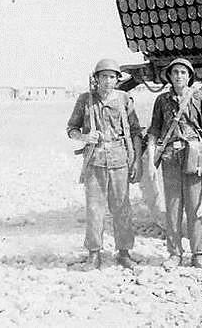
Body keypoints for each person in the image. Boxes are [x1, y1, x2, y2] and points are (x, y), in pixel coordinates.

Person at [67, 58, 142, 270]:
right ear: (96, 79)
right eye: (103, 77)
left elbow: (135, 131)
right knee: (94, 209)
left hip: (120, 159)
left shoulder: (125, 99)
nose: (108, 81)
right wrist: (85, 137)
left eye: (111, 77)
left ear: (117, 79)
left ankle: (124, 252)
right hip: (95, 161)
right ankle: (94, 253)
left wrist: (136, 159)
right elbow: (71, 129)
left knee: (122, 208)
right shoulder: (85, 100)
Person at [146, 58, 202, 269]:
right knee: (173, 208)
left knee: (195, 207)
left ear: (189, 76)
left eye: (183, 72)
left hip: (194, 157)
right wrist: (151, 160)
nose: (179, 76)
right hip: (170, 157)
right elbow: (154, 130)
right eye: (175, 72)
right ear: (169, 76)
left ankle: (198, 254)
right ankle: (174, 253)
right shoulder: (162, 100)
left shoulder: (199, 98)